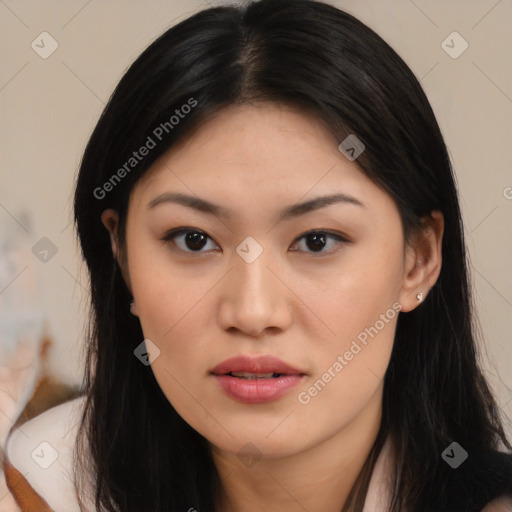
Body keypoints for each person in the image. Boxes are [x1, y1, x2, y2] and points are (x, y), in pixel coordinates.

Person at [3, 0, 512, 510]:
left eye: (317, 240)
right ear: (123, 256)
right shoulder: (34, 488)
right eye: (193, 239)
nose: (252, 312)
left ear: (417, 260)